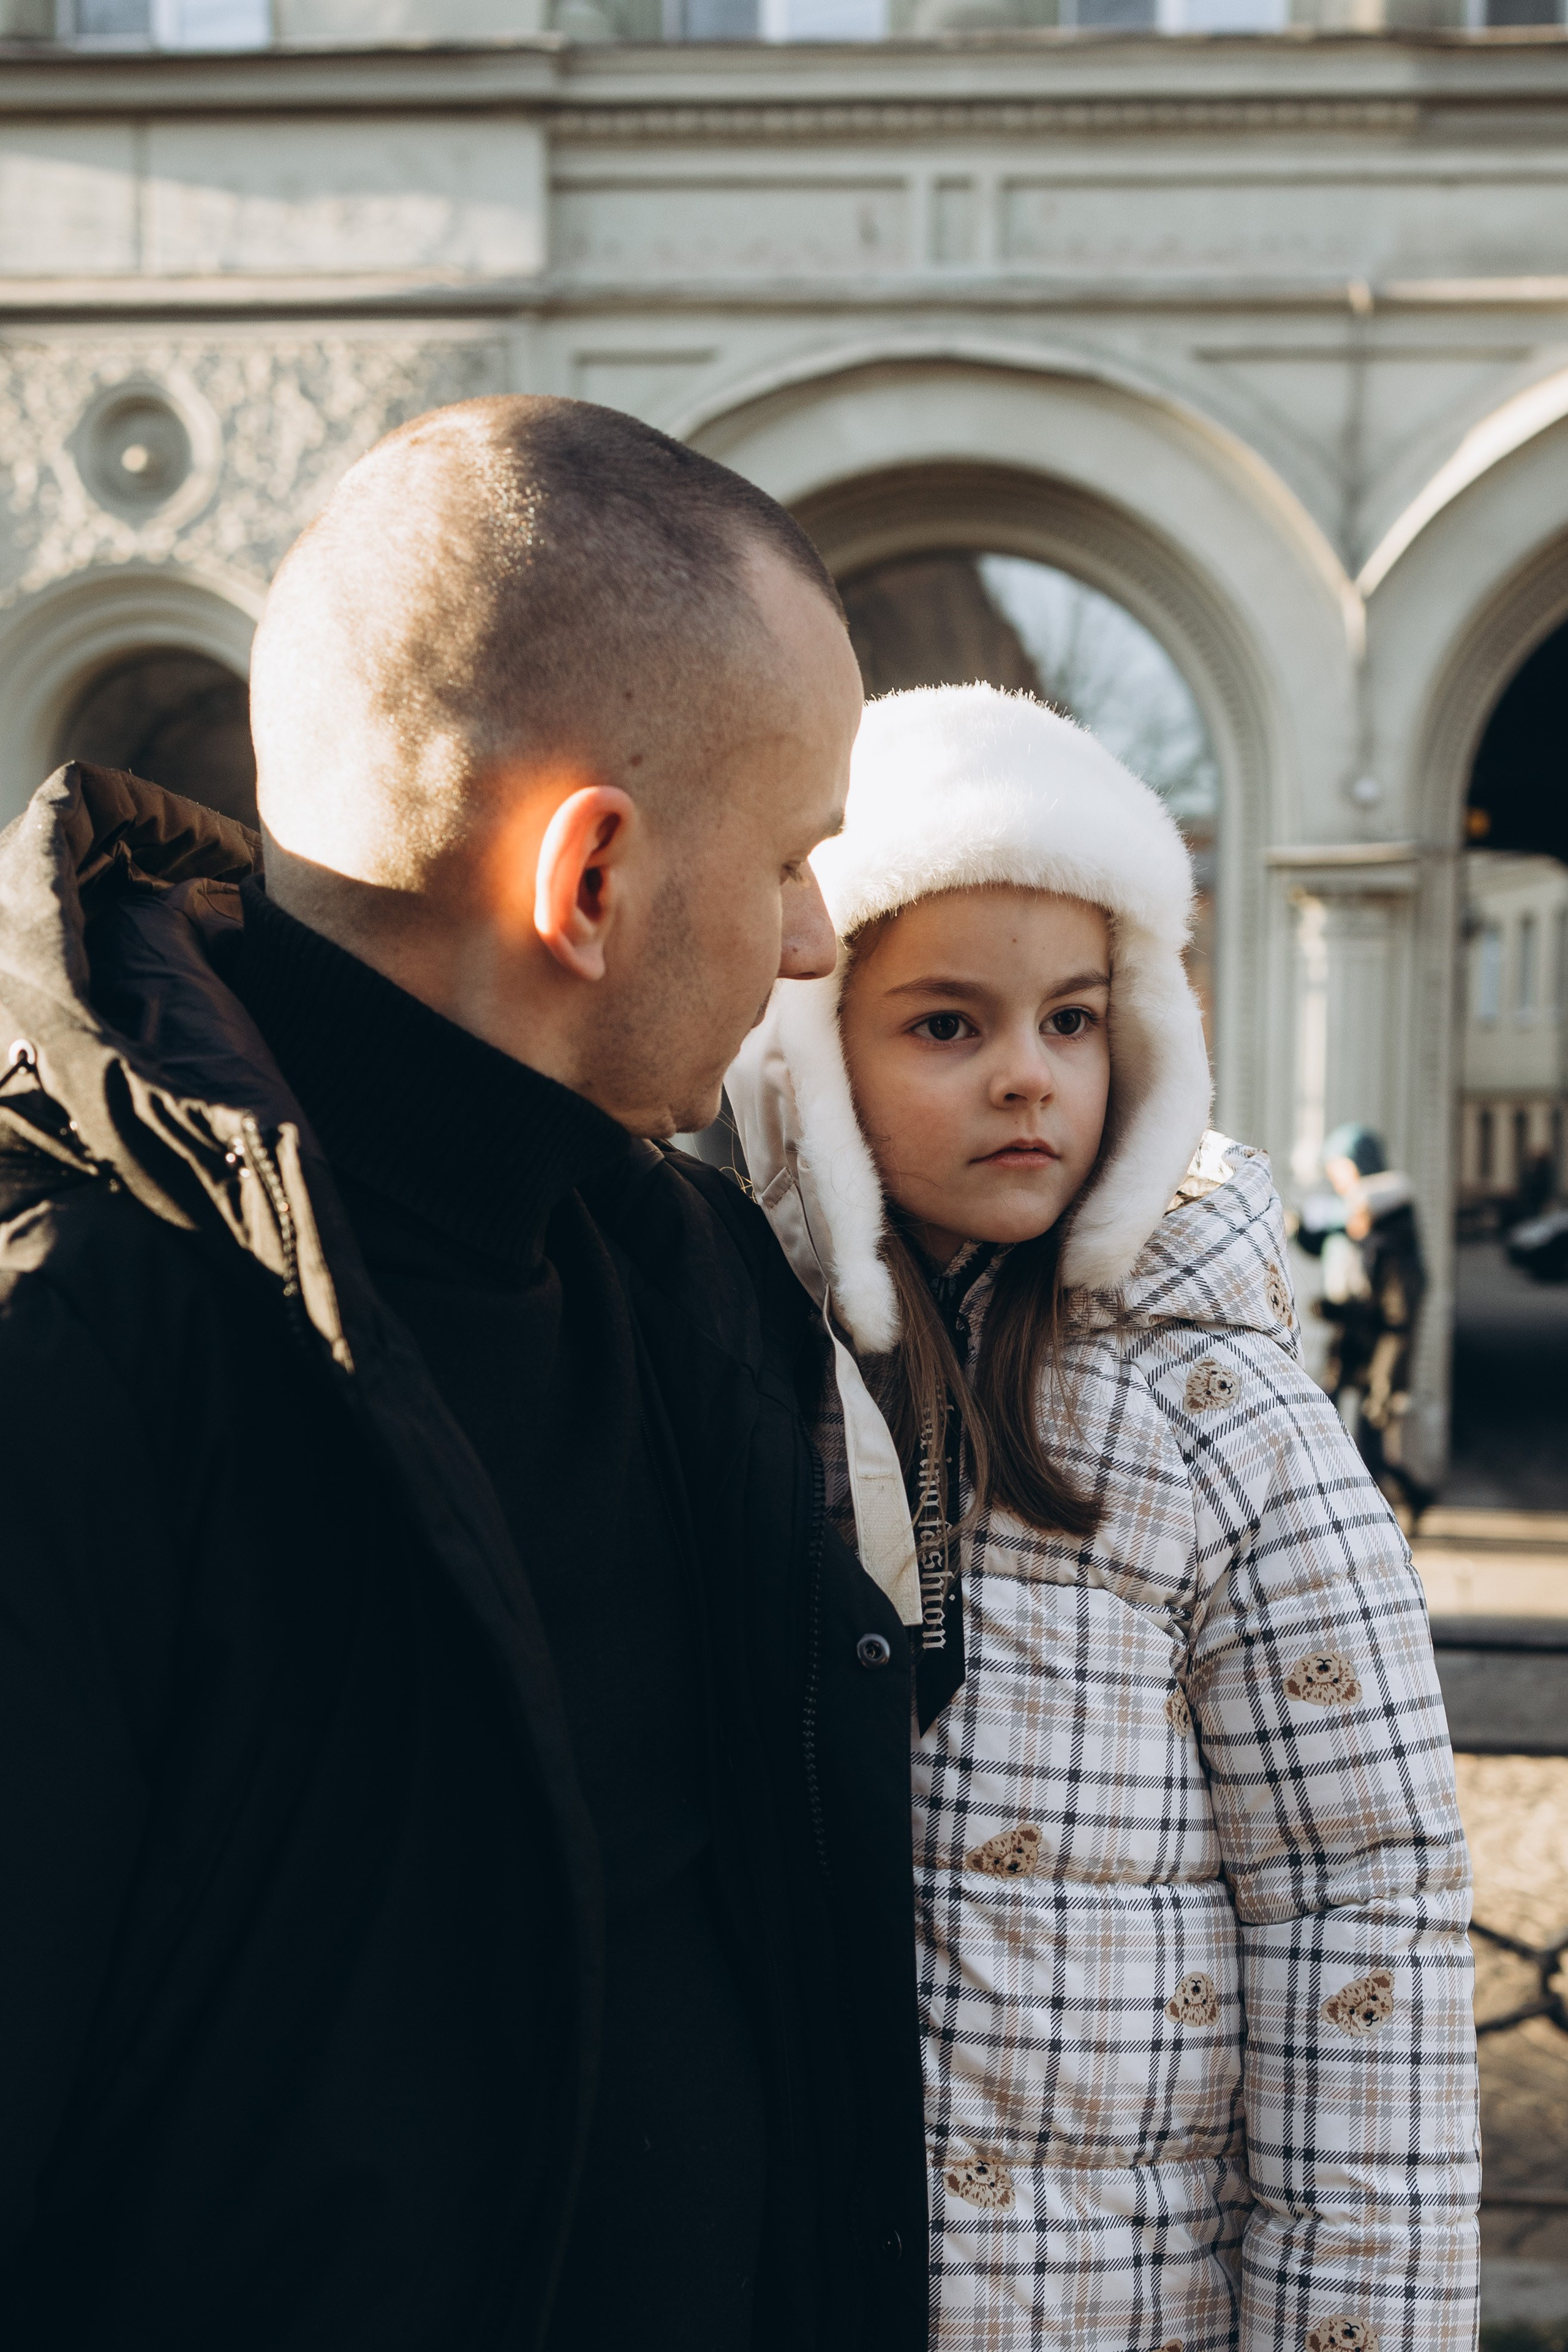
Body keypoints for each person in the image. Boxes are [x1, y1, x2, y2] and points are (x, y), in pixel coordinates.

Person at [0, 398, 929, 2350]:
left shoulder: (685, 1276)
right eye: (789, 857)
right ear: (585, 877)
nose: (812, 938)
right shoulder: (70, 1335)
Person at [726, 684, 1479, 2351]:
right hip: (806, 2265)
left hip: (1112, 2298)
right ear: (810, 1044)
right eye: (948, 1025)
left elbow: (1359, 1900)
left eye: (1073, 1019)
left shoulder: (1224, 1409)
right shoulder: (727, 1364)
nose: (1028, 1080)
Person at [1297, 1122, 1429, 1518]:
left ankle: (1381, 1514)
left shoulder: (1391, 1211)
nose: (1337, 1180)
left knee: (1371, 1431)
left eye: (1341, 1168)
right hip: (1353, 1335)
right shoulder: (1362, 1217)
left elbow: (1396, 1305)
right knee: (1326, 1419)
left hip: (1382, 1341)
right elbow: (1323, 1236)